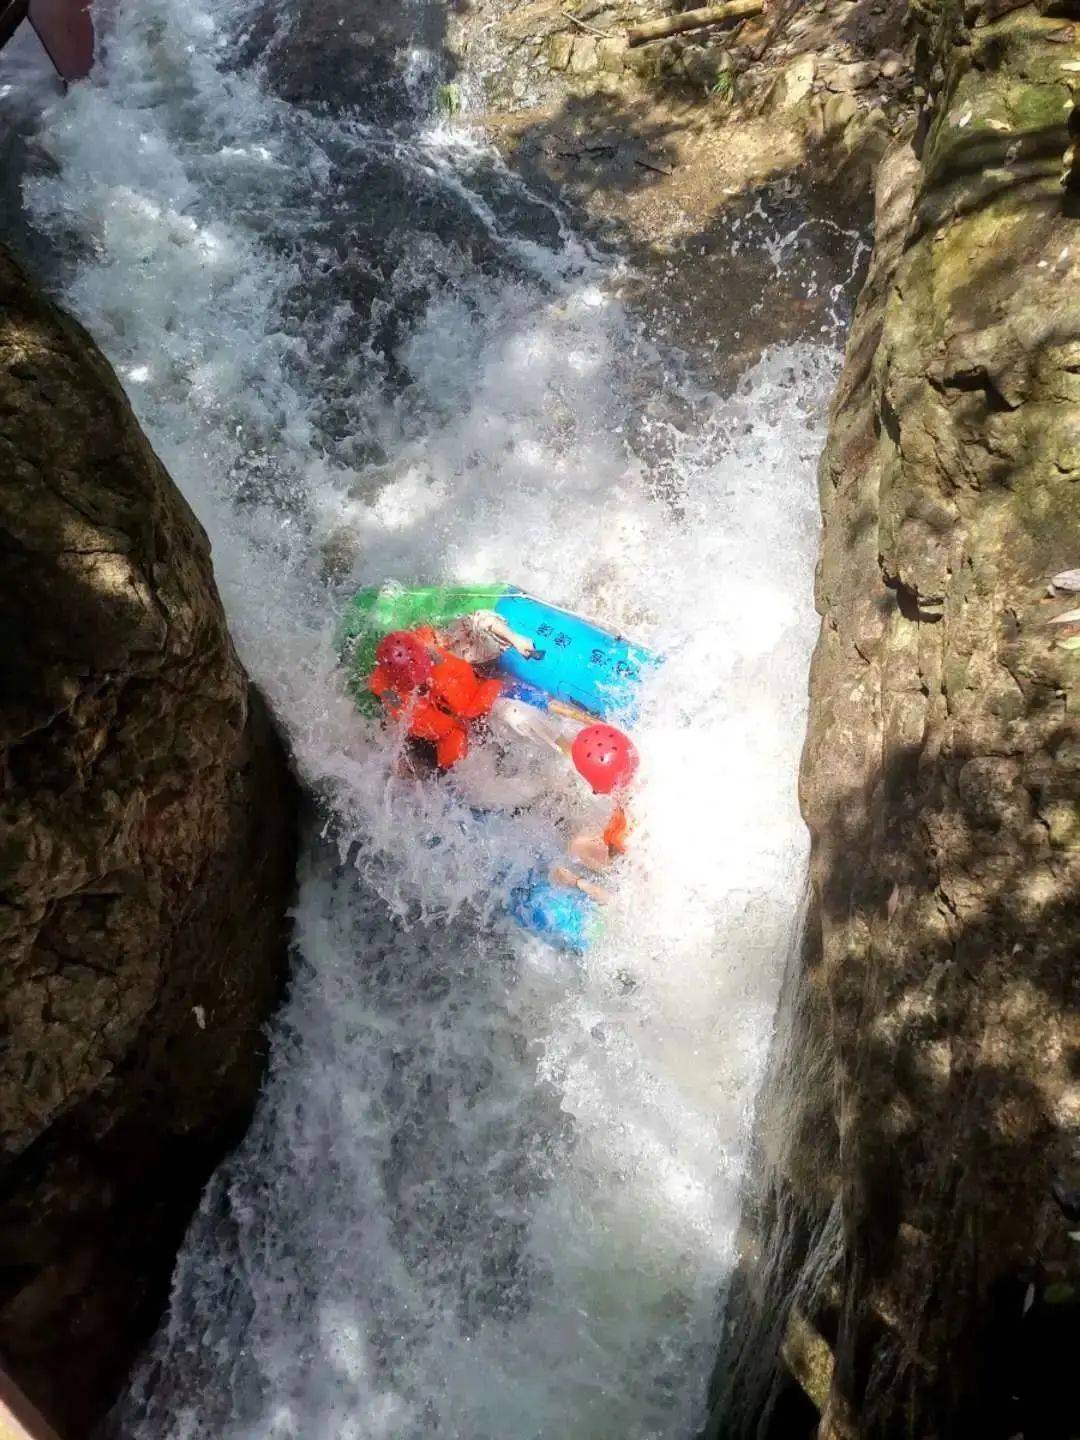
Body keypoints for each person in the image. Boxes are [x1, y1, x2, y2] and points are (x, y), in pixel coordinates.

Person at [369, 628, 503, 770]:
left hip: (468, 702)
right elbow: (430, 726)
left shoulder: (428, 649)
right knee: (452, 758)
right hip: (443, 729)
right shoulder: (390, 693)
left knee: (490, 692)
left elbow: (467, 682)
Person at [550, 723, 638, 905]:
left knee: (578, 846)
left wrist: (578, 883)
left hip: (637, 886)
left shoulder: (627, 837)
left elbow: (627, 903)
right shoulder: (635, 773)